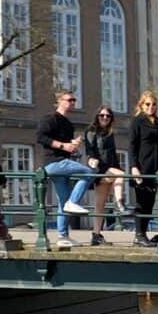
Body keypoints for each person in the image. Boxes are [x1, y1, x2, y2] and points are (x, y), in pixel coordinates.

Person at [36, 89, 93, 248]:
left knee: (63, 200)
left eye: (74, 100)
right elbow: (41, 137)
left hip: (63, 161)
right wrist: (63, 145)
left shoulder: (68, 124)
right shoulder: (50, 118)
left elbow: (67, 147)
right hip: (53, 163)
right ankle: (74, 203)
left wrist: (73, 145)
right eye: (69, 100)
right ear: (60, 101)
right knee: (89, 172)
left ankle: (62, 236)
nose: (72, 103)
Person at [85, 105, 131, 247]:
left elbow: (112, 155)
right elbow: (90, 151)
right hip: (100, 169)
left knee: (100, 206)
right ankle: (119, 203)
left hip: (109, 169)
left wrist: (115, 167)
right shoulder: (91, 131)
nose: (105, 118)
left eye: (108, 116)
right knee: (122, 174)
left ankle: (96, 235)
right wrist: (92, 160)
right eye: (102, 115)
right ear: (97, 117)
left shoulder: (109, 133)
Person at [128, 90, 158, 247]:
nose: (151, 107)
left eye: (154, 104)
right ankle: (138, 235)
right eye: (148, 104)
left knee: (150, 203)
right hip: (143, 166)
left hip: (156, 168)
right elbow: (132, 145)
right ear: (141, 105)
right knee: (141, 202)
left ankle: (143, 234)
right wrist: (134, 167)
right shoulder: (137, 121)